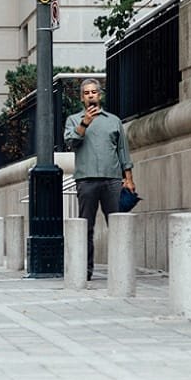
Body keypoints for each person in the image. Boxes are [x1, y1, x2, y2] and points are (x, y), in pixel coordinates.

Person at [64, 78, 135, 281]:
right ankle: (85, 270)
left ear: (99, 95)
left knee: (117, 224)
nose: (91, 95)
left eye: (94, 92)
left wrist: (128, 178)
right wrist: (84, 123)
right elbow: (70, 142)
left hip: (112, 179)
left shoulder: (113, 121)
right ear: (81, 97)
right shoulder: (73, 120)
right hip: (86, 180)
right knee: (86, 226)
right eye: (86, 93)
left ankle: (121, 269)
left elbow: (123, 151)